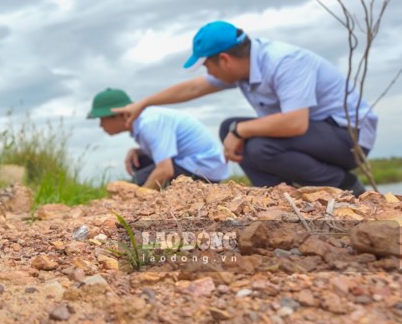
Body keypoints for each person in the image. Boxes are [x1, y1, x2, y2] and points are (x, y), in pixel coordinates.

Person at [114, 21, 377, 196]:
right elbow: (193, 88)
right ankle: (275, 197)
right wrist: (144, 103)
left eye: (207, 65)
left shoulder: (284, 62)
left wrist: (241, 130)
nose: (208, 72)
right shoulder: (242, 69)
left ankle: (345, 186)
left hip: (349, 137)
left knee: (256, 142)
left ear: (225, 60)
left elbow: (296, 123)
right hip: (316, 136)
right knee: (231, 128)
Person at [88, 88, 228, 189]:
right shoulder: (146, 120)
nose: (101, 125)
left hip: (205, 170)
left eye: (102, 119)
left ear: (120, 114)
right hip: (194, 163)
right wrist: (138, 151)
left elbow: (165, 170)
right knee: (139, 163)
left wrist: (140, 195)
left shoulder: (150, 123)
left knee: (140, 181)